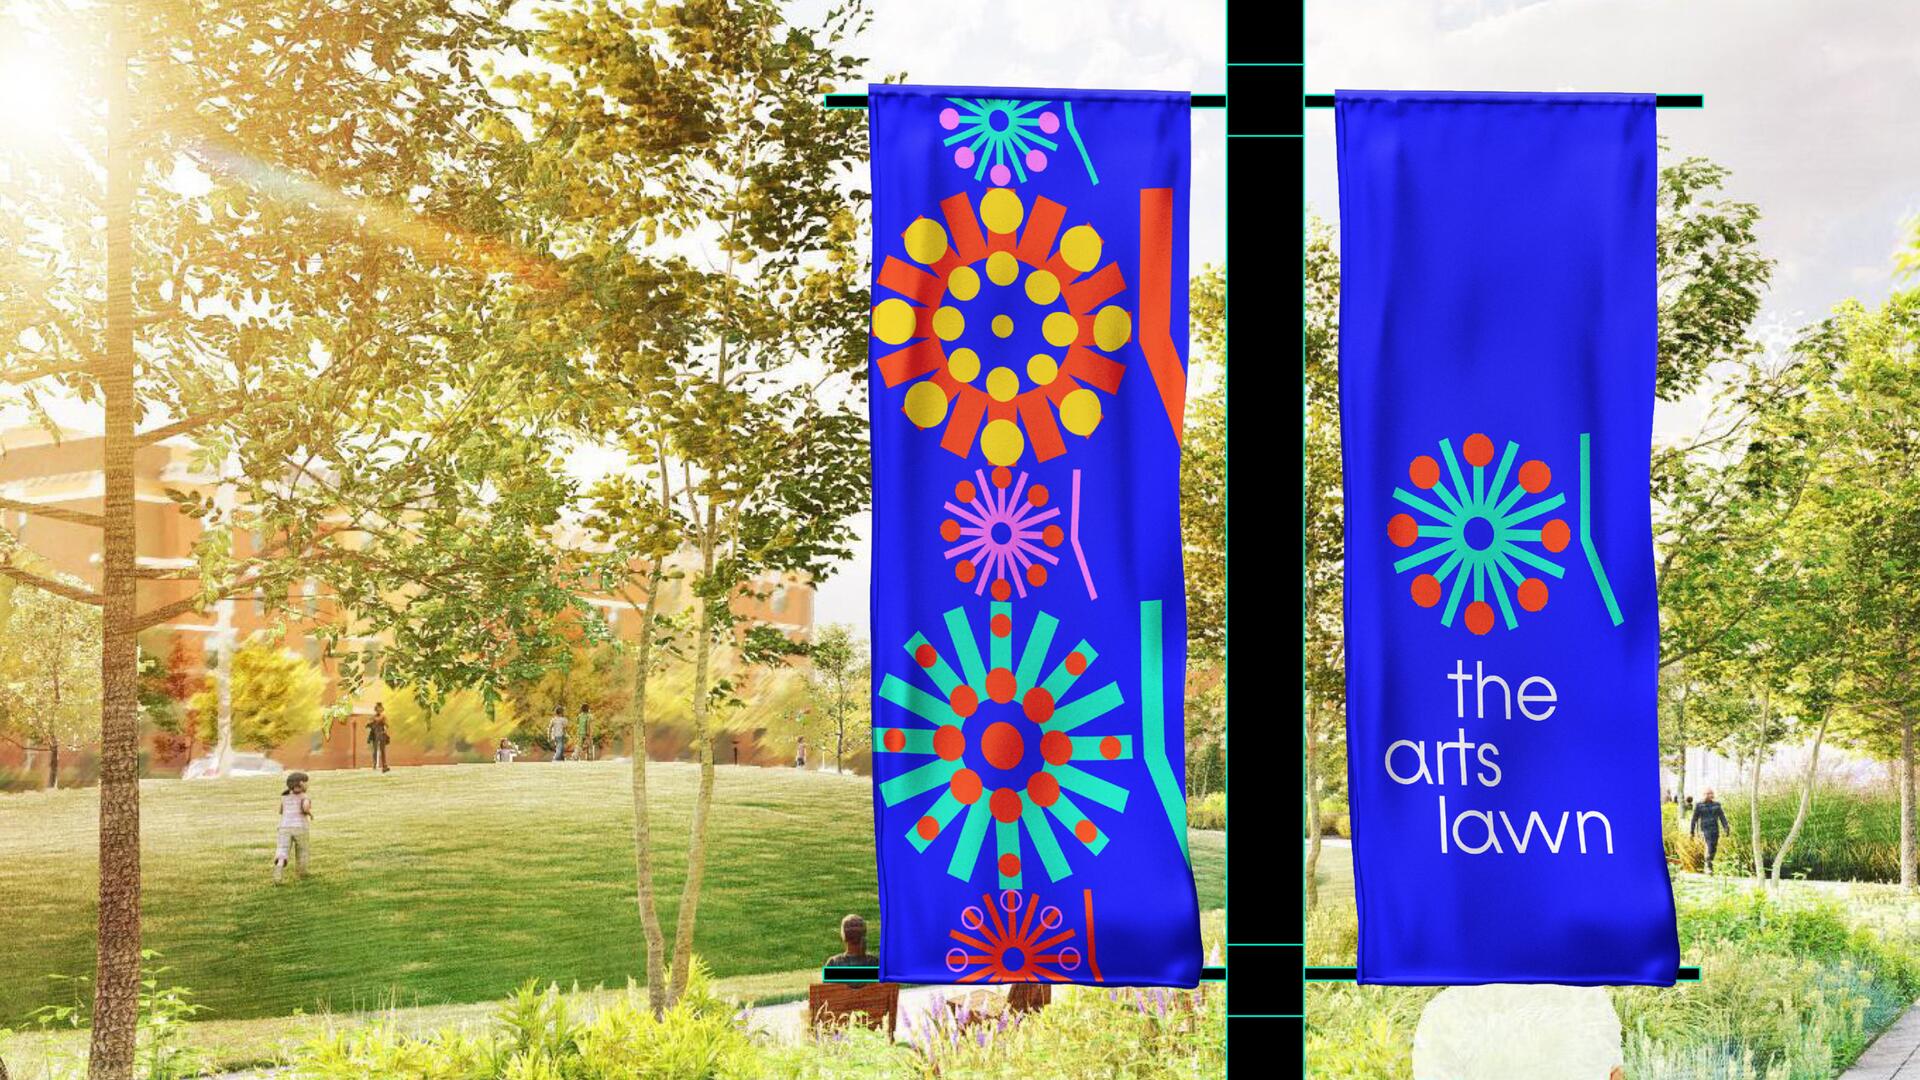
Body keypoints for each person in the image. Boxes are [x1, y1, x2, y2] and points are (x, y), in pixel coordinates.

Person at [273, 772, 313, 884]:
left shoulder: (284, 797)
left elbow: (281, 811)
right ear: (301, 784)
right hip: (300, 827)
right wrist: (310, 814)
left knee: (282, 848)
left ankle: (279, 865)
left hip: (284, 827)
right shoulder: (305, 797)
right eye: (306, 782)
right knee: (302, 850)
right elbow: (305, 808)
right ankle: (302, 872)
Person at [1689, 787, 1732, 873]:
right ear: (1704, 794)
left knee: (1714, 848)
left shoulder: (1717, 805)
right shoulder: (1699, 805)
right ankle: (1708, 866)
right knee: (1709, 846)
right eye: (1708, 793)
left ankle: (1710, 864)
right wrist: (1692, 831)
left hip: (1715, 829)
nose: (1710, 795)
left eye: (1711, 793)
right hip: (1704, 830)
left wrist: (1726, 827)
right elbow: (1694, 819)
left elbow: (1722, 817)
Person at [366, 702, 391, 773]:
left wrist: (385, 729)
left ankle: (384, 765)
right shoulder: (373, 717)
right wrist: (370, 724)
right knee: (375, 750)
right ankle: (374, 764)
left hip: (381, 733)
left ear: (381, 709)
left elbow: (386, 725)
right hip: (374, 734)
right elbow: (368, 724)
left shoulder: (383, 717)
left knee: (382, 750)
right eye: (377, 708)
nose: (379, 710)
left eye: (380, 708)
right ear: (376, 709)